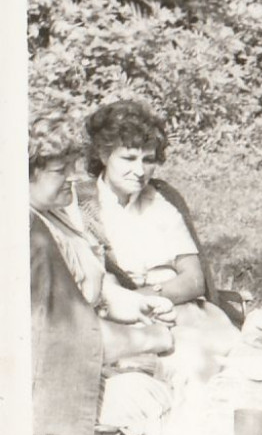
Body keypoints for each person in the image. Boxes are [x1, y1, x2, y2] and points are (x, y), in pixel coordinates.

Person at [30, 114, 176, 435]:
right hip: (47, 383)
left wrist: (128, 302)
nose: (73, 177)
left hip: (78, 359)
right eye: (59, 170)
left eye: (73, 166)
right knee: (159, 392)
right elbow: (75, 338)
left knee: (184, 367)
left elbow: (90, 283)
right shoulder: (27, 237)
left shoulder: (52, 214)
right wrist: (153, 337)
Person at [79, 100, 240, 365]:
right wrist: (133, 304)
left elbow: (194, 279)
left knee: (226, 359)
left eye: (149, 160)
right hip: (122, 319)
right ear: (104, 154)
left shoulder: (162, 200)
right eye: (128, 158)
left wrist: (151, 298)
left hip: (178, 311)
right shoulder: (83, 206)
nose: (140, 171)